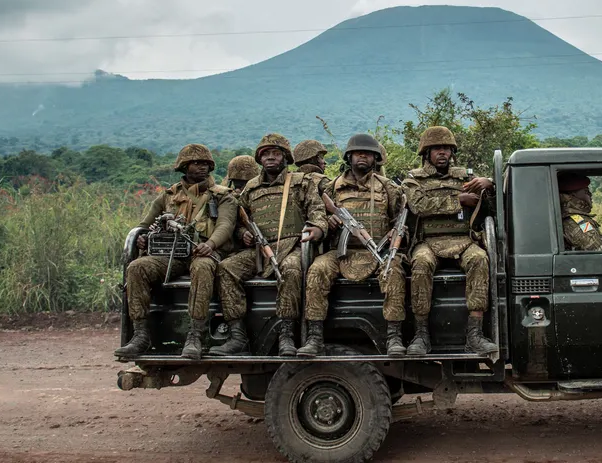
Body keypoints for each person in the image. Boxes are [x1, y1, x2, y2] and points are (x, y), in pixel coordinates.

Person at [116, 144, 236, 361]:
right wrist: (143, 237)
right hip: (170, 255)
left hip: (204, 254)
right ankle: (141, 335)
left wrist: (211, 244)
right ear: (184, 167)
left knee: (202, 267)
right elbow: (145, 224)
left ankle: (195, 335)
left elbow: (225, 226)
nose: (202, 167)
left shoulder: (221, 196)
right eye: (196, 163)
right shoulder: (168, 196)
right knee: (136, 268)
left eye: (206, 164)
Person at [213, 134, 327, 357]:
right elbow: (237, 221)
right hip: (259, 251)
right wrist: (244, 233)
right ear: (260, 159)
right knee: (226, 268)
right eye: (266, 154)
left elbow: (318, 212)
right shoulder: (251, 188)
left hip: (292, 246)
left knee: (292, 270)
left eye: (276, 153)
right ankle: (237, 336)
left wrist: (318, 229)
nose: (271, 158)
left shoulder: (300, 183)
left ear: (285, 157)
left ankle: (286, 335)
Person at [301, 133, 407, 357]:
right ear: (349, 157)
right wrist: (329, 223)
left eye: (368, 153)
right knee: (317, 270)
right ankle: (314, 336)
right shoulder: (331, 188)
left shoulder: (387, 188)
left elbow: (400, 220)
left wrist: (394, 233)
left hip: (377, 250)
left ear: (375, 158)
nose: (362, 156)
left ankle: (394, 336)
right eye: (358, 152)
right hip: (342, 252)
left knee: (394, 270)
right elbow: (318, 218)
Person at [403, 126, 498, 356]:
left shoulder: (465, 176)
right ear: (427, 153)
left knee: (479, 259)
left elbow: (489, 208)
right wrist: (459, 200)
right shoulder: (414, 179)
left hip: (463, 240)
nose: (442, 152)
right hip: (429, 242)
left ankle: (474, 334)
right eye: (437, 149)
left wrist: (489, 185)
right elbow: (419, 206)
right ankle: (421, 334)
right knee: (421, 264)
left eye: (446, 148)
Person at [558, 173, 602, 251]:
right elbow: (601, 254)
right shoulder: (579, 222)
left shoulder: (572, 219)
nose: (590, 194)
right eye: (586, 191)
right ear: (572, 196)